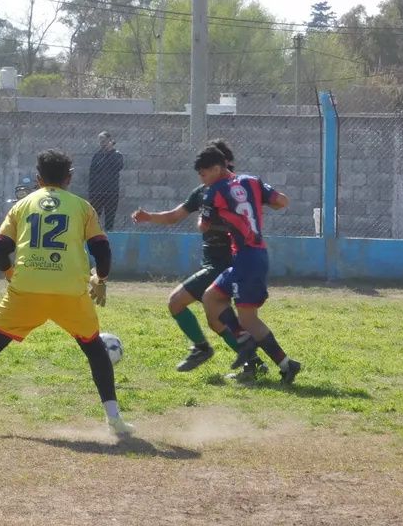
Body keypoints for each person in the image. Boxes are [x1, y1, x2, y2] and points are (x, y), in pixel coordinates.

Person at [0, 149, 134, 437]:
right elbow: (102, 251)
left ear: (39, 178)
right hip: (70, 292)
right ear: (69, 178)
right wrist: (100, 278)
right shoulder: (83, 207)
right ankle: (114, 419)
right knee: (94, 349)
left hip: (26, 290)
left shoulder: (21, 206)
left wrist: (11, 277)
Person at [131, 139, 265, 376]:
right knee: (217, 320)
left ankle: (203, 349)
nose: (204, 176)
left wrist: (215, 224)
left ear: (221, 165)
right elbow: (174, 216)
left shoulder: (236, 191)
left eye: (209, 169)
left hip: (224, 264)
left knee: (176, 302)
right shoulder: (203, 192)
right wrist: (149, 216)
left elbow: (244, 222)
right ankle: (254, 362)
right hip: (214, 262)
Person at [195, 146, 302, 384]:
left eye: (203, 174)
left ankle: (286, 364)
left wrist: (217, 216)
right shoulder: (252, 181)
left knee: (248, 319)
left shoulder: (214, 191)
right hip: (251, 256)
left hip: (247, 258)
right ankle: (248, 352)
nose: (201, 179)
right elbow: (282, 201)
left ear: (215, 169)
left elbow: (203, 225)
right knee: (211, 298)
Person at [88, 131, 123, 232]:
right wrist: (91, 193)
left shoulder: (117, 155)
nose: (102, 144)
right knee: (94, 219)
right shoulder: (96, 156)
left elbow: (118, 167)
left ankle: (108, 241)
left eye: (104, 141)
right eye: (100, 141)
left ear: (110, 141)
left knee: (109, 220)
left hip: (111, 192)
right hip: (97, 193)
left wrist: (110, 152)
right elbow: (92, 175)